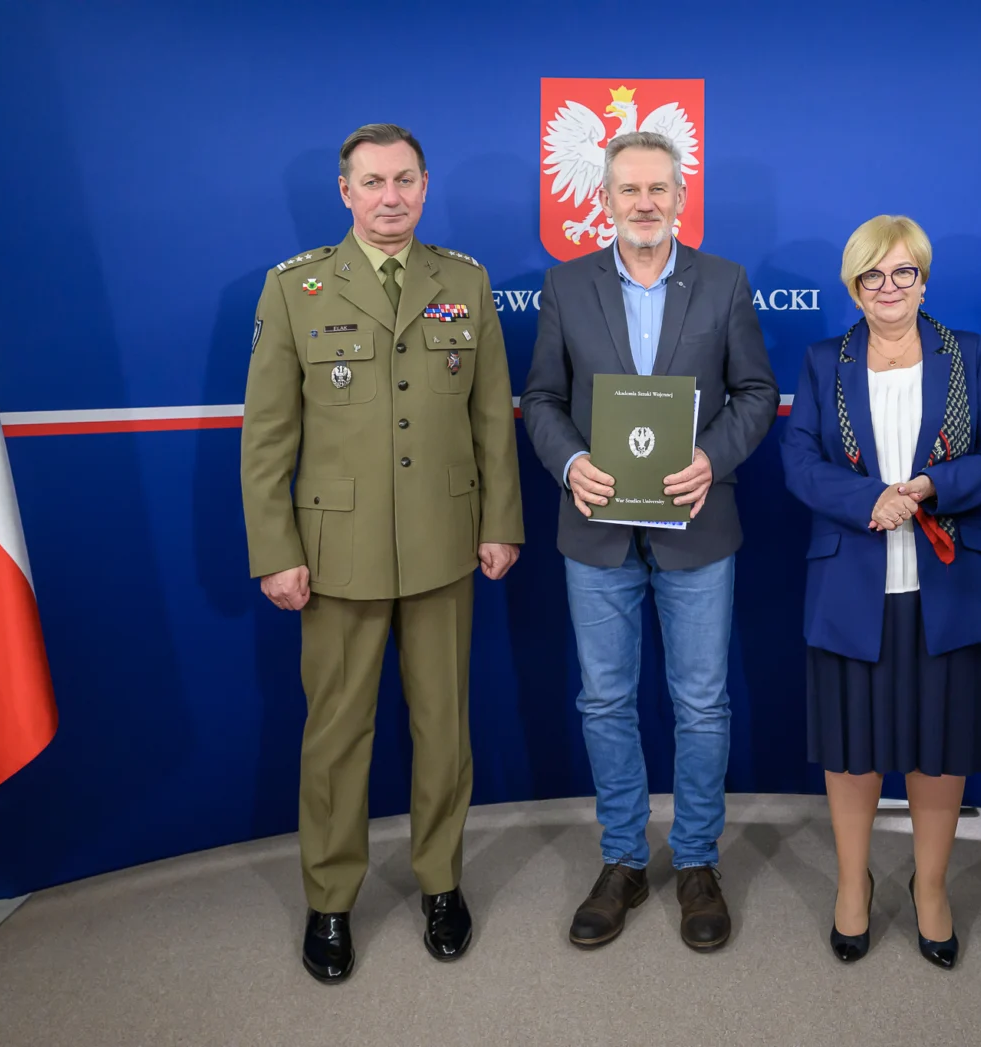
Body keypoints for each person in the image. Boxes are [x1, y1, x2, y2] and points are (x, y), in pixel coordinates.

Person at [240, 123, 524, 984]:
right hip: (337, 553)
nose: (390, 196)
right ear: (346, 192)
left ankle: (441, 883)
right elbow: (267, 437)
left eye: (404, 179)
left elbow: (491, 417)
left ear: (425, 186)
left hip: (444, 544)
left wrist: (501, 522)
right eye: (373, 181)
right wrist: (275, 549)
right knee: (335, 735)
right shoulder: (296, 288)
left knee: (444, 728)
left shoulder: (464, 282)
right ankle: (330, 899)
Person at [520, 130, 778, 951]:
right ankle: (624, 858)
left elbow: (756, 392)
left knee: (701, 703)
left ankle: (696, 858)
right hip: (595, 530)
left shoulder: (725, 281)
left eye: (658, 188)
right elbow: (542, 398)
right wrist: (571, 464)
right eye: (628, 189)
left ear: (680, 198)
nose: (643, 203)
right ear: (604, 199)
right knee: (604, 700)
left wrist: (712, 457)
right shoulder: (566, 285)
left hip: (697, 527)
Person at [778, 215, 981, 968]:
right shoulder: (824, 361)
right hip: (851, 585)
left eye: (903, 273)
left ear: (924, 280)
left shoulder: (966, 355)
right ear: (854, 287)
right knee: (851, 747)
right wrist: (870, 500)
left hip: (946, 587)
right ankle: (852, 885)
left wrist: (929, 486)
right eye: (872, 276)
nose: (888, 288)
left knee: (940, 747)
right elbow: (799, 460)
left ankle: (931, 887)